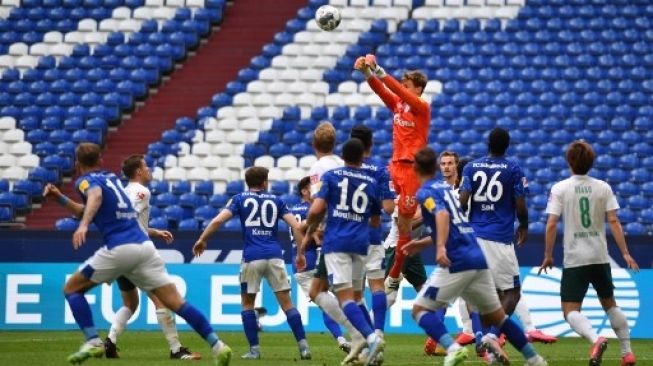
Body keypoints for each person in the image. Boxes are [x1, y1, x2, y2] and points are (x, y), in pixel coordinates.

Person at [43, 143, 231, 365]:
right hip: (144, 247)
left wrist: (83, 225)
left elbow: (93, 198)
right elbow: (98, 209)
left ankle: (94, 341)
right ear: (101, 161)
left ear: (77, 164)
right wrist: (61, 199)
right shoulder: (112, 179)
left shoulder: (86, 181)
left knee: (72, 289)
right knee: (175, 302)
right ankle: (218, 346)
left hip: (121, 247)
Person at [403, 147, 547, 366]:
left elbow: (441, 216)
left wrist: (440, 247)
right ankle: (534, 359)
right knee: (498, 316)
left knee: (419, 310)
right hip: (477, 255)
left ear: (415, 168)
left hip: (458, 260)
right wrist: (422, 243)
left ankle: (452, 348)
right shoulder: (448, 189)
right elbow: (452, 221)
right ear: (436, 167)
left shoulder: (426, 193)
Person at [192, 167, 311, 360]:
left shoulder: (239, 199)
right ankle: (304, 348)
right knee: (287, 303)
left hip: (252, 257)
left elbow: (217, 221)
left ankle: (254, 350)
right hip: (275, 256)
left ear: (248, 182)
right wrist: (300, 252)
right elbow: (297, 227)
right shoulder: (277, 200)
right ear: (264, 182)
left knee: (247, 303)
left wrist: (202, 239)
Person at [539, 140, 638, 366]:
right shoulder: (603, 187)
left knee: (570, 310)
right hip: (600, 256)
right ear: (591, 162)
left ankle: (596, 339)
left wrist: (548, 254)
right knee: (610, 303)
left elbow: (552, 223)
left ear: (569, 161)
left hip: (576, 259)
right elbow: (613, 220)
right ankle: (627, 353)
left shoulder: (560, 188)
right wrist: (625, 253)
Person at [297, 138, 386, 366]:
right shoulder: (372, 182)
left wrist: (309, 224)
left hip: (337, 243)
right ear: (362, 156)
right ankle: (362, 339)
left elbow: (317, 208)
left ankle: (370, 337)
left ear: (343, 157)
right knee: (346, 296)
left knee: (345, 298)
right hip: (362, 243)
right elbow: (376, 220)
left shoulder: (332, 176)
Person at [104, 154, 200, 360]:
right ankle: (176, 350)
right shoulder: (141, 191)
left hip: (118, 251)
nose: (149, 170)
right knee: (162, 300)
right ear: (138, 171)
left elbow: (126, 221)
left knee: (130, 304)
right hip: (136, 252)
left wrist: (155, 232)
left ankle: (110, 341)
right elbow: (129, 219)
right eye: (145, 166)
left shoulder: (122, 191)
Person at [354, 54, 431, 299]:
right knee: (397, 221)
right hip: (394, 166)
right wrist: (367, 73)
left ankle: (395, 275)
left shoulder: (422, 107)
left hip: (411, 169)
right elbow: (381, 91)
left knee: (404, 226)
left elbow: (395, 88)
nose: (403, 88)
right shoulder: (399, 105)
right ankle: (394, 268)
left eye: (407, 85)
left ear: (417, 88)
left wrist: (379, 69)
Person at [458, 128, 529, 359]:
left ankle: (479, 335)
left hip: (475, 237)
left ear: (487, 143)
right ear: (507, 146)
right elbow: (520, 204)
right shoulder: (513, 169)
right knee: (513, 292)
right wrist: (524, 225)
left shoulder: (470, 167)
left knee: (474, 292)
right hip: (499, 239)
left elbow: (463, 200)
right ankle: (491, 335)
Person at [304, 122, 367, 360]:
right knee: (354, 295)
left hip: (335, 234)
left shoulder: (318, 167)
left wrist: (311, 228)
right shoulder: (343, 163)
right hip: (357, 232)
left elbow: (320, 203)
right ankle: (364, 339)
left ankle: (359, 335)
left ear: (314, 144)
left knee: (318, 291)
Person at [290, 176, 351, 353]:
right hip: (317, 258)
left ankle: (341, 339)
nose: (317, 190)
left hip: (299, 265)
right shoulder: (313, 210)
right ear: (304, 191)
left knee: (324, 303)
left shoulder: (292, 210)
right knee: (345, 297)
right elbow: (318, 233)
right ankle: (361, 334)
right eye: (313, 187)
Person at [351, 125, 396, 340]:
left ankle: (367, 336)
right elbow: (389, 208)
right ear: (371, 144)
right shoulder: (380, 170)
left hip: (349, 237)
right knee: (377, 286)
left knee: (355, 293)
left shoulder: (343, 170)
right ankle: (378, 331)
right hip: (373, 235)